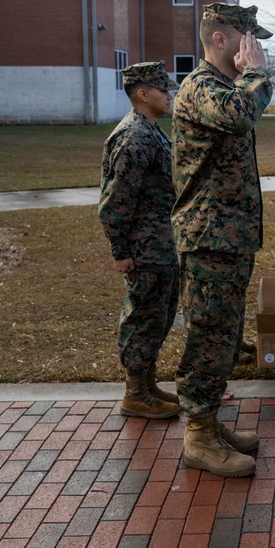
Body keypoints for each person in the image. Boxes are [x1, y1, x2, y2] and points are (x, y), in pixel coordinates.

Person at [171, 3, 273, 477]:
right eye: (247, 37)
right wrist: (256, 75)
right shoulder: (202, 88)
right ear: (220, 39)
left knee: (223, 335)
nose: (253, 48)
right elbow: (239, 117)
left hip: (227, 236)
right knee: (208, 335)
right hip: (210, 236)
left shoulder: (224, 88)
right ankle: (198, 436)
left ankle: (209, 423)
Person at [99, 61, 182, 420]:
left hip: (161, 244)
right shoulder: (133, 137)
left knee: (159, 316)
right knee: (143, 318)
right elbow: (115, 200)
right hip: (145, 248)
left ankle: (147, 385)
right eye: (164, 90)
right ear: (143, 94)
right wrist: (121, 250)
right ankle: (135, 393)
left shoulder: (151, 130)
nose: (170, 95)